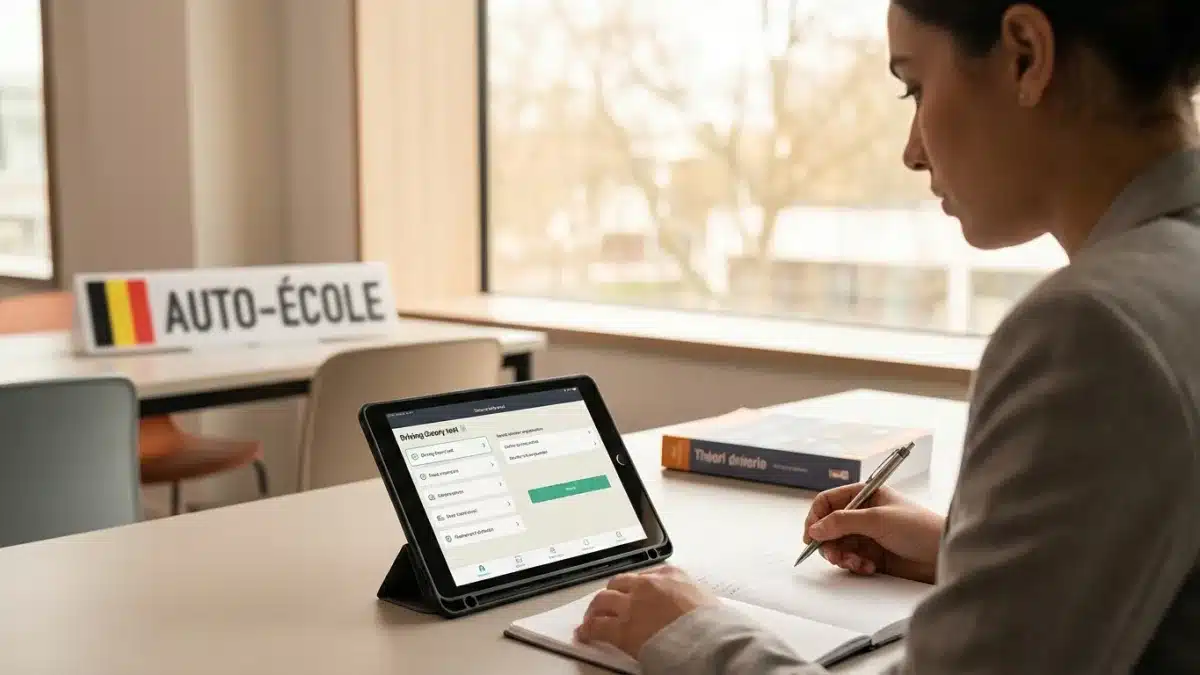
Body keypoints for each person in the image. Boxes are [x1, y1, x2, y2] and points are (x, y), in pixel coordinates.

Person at [575, 1, 1200, 673]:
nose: (911, 151)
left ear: (1025, 55)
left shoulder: (1094, 330)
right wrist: (962, 548)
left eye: (915, 87)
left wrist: (694, 634)